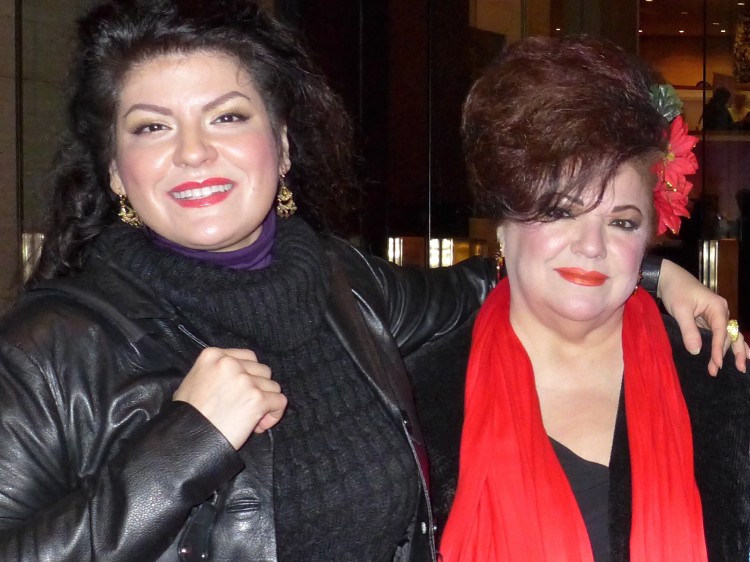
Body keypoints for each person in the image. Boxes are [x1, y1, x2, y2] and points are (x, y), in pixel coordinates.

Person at [0, 2, 745, 560]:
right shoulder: (52, 348)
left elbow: (515, 272)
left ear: (281, 147)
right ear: (115, 171)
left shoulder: (346, 288)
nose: (193, 152)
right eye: (152, 126)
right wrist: (183, 447)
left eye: (226, 117)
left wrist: (654, 271)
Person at [439, 36, 750, 562]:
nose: (590, 246)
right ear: (503, 225)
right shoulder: (419, 393)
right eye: (561, 212)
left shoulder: (718, 378)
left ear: (648, 238)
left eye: (621, 222)